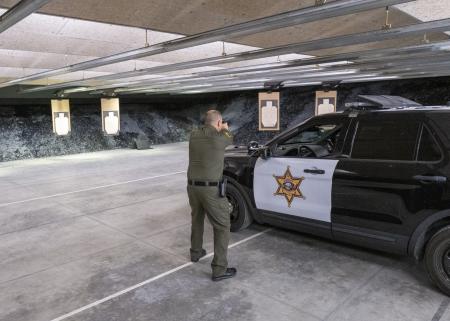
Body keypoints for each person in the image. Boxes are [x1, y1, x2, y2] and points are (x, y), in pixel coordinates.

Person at [187, 110, 236, 281]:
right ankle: (219, 269)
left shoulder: (193, 135)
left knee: (197, 219)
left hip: (192, 187)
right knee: (222, 226)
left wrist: (217, 126)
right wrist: (224, 128)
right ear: (218, 122)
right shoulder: (220, 137)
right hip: (210, 190)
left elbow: (205, 130)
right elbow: (231, 138)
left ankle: (195, 252)